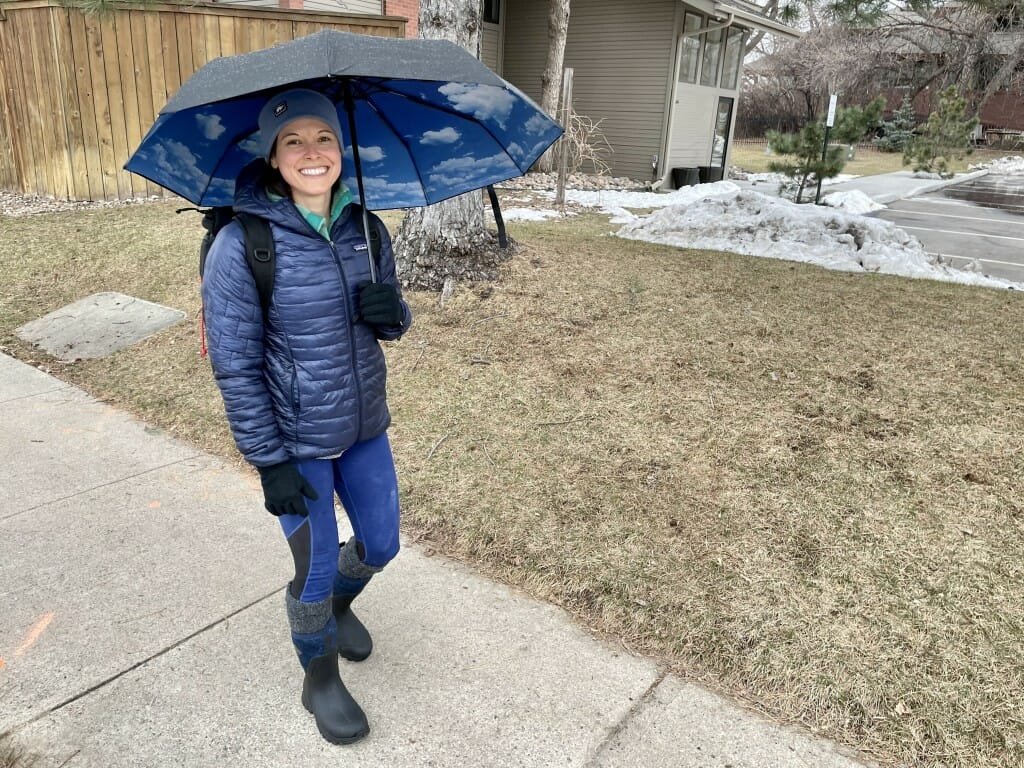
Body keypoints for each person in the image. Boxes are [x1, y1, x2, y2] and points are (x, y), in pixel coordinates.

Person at [201, 88, 412, 745]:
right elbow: (234, 366)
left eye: (324, 137)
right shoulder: (242, 245)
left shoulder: (366, 228)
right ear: (273, 155)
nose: (311, 152)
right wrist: (269, 463)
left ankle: (337, 608)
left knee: (381, 543)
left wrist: (392, 314)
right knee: (313, 568)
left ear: (342, 150)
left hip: (362, 426)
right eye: (293, 140)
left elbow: (395, 319)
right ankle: (318, 677)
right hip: (294, 442)